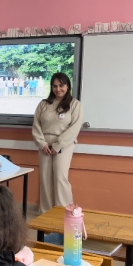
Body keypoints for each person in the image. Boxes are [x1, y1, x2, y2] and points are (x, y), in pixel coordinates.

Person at [32, 72, 83, 213]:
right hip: (45, 146)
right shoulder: (43, 104)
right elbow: (36, 126)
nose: (58, 89)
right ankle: (46, 212)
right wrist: (42, 143)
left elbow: (74, 128)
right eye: (54, 86)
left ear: (67, 86)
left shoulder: (75, 104)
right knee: (45, 179)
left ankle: (64, 210)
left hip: (64, 145)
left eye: (61, 85)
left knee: (60, 177)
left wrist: (58, 145)